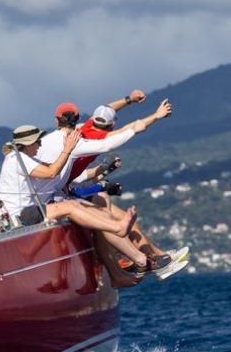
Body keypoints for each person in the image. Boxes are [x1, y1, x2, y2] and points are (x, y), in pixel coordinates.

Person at [34, 99, 177, 276]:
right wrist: (155, 116)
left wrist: (129, 99)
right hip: (55, 197)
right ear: (78, 118)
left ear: (56, 121)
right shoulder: (79, 140)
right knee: (108, 216)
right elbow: (116, 137)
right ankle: (140, 260)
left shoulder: (51, 139)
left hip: (53, 192)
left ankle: (153, 258)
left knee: (111, 210)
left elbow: (107, 108)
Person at [0, 125, 142, 257]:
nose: (40, 145)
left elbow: (55, 168)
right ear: (27, 144)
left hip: (23, 212)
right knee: (71, 207)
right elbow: (52, 172)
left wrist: (101, 169)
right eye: (37, 142)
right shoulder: (19, 159)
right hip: (20, 215)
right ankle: (118, 228)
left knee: (73, 204)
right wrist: (67, 149)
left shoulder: (19, 158)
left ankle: (115, 238)